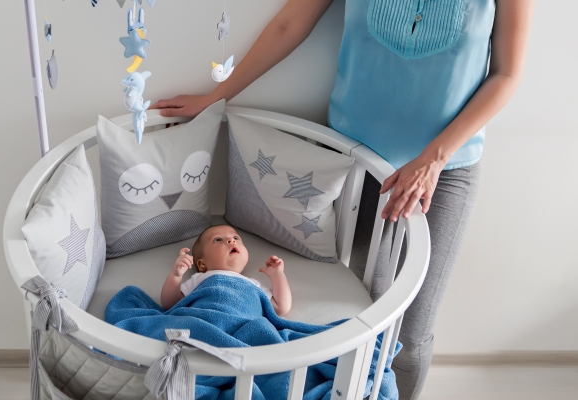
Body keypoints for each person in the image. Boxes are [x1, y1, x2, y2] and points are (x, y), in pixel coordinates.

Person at [151, 1, 535, 398]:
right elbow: (289, 25)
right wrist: (218, 98)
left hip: (443, 171)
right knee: (356, 314)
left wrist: (434, 158)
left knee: (412, 334)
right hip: (351, 160)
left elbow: (506, 73)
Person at [161, 225, 293, 316]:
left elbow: (281, 308)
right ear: (202, 264)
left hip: (244, 323)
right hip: (205, 320)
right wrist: (175, 275)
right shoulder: (200, 279)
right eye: (218, 240)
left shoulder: (252, 284)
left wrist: (277, 275)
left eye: (236, 238)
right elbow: (170, 304)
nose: (231, 240)